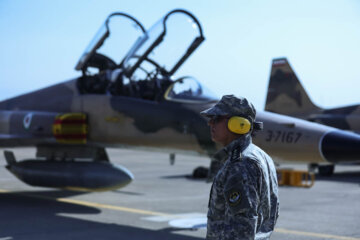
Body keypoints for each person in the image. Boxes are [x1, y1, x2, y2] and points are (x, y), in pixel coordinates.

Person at [200, 95, 279, 240]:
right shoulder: (261, 156)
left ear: (238, 124)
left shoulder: (241, 164)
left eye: (216, 119)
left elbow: (242, 227)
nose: (210, 123)